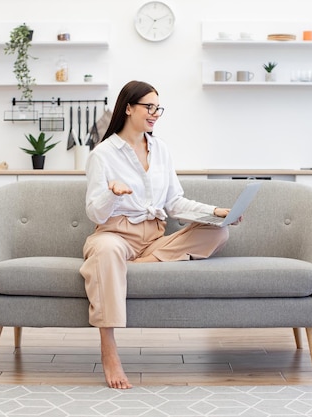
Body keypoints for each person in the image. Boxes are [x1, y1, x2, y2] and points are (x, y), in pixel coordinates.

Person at [79, 80, 238, 389]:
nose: (155, 114)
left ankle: (134, 267)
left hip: (154, 237)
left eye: (157, 108)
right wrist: (113, 194)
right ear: (128, 108)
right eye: (148, 107)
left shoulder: (161, 150)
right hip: (116, 234)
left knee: (218, 234)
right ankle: (109, 351)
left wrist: (216, 212)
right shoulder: (103, 155)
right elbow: (95, 213)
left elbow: (174, 203)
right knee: (106, 251)